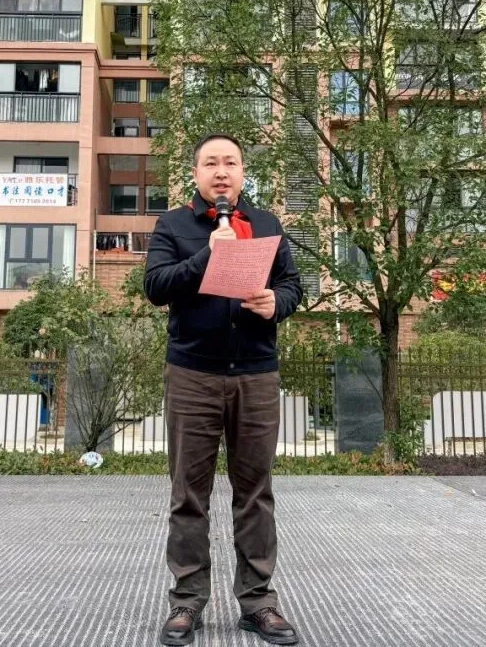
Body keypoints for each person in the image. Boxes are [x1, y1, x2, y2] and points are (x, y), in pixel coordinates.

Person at [144, 134, 303, 646]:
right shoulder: (173, 225)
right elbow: (155, 287)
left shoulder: (267, 225)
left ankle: (258, 603)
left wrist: (275, 302)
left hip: (256, 374)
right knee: (188, 494)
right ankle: (186, 602)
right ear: (195, 173)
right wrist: (205, 258)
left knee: (255, 493)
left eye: (230, 162)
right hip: (192, 374)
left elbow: (294, 286)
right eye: (210, 163)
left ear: (242, 172)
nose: (221, 171)